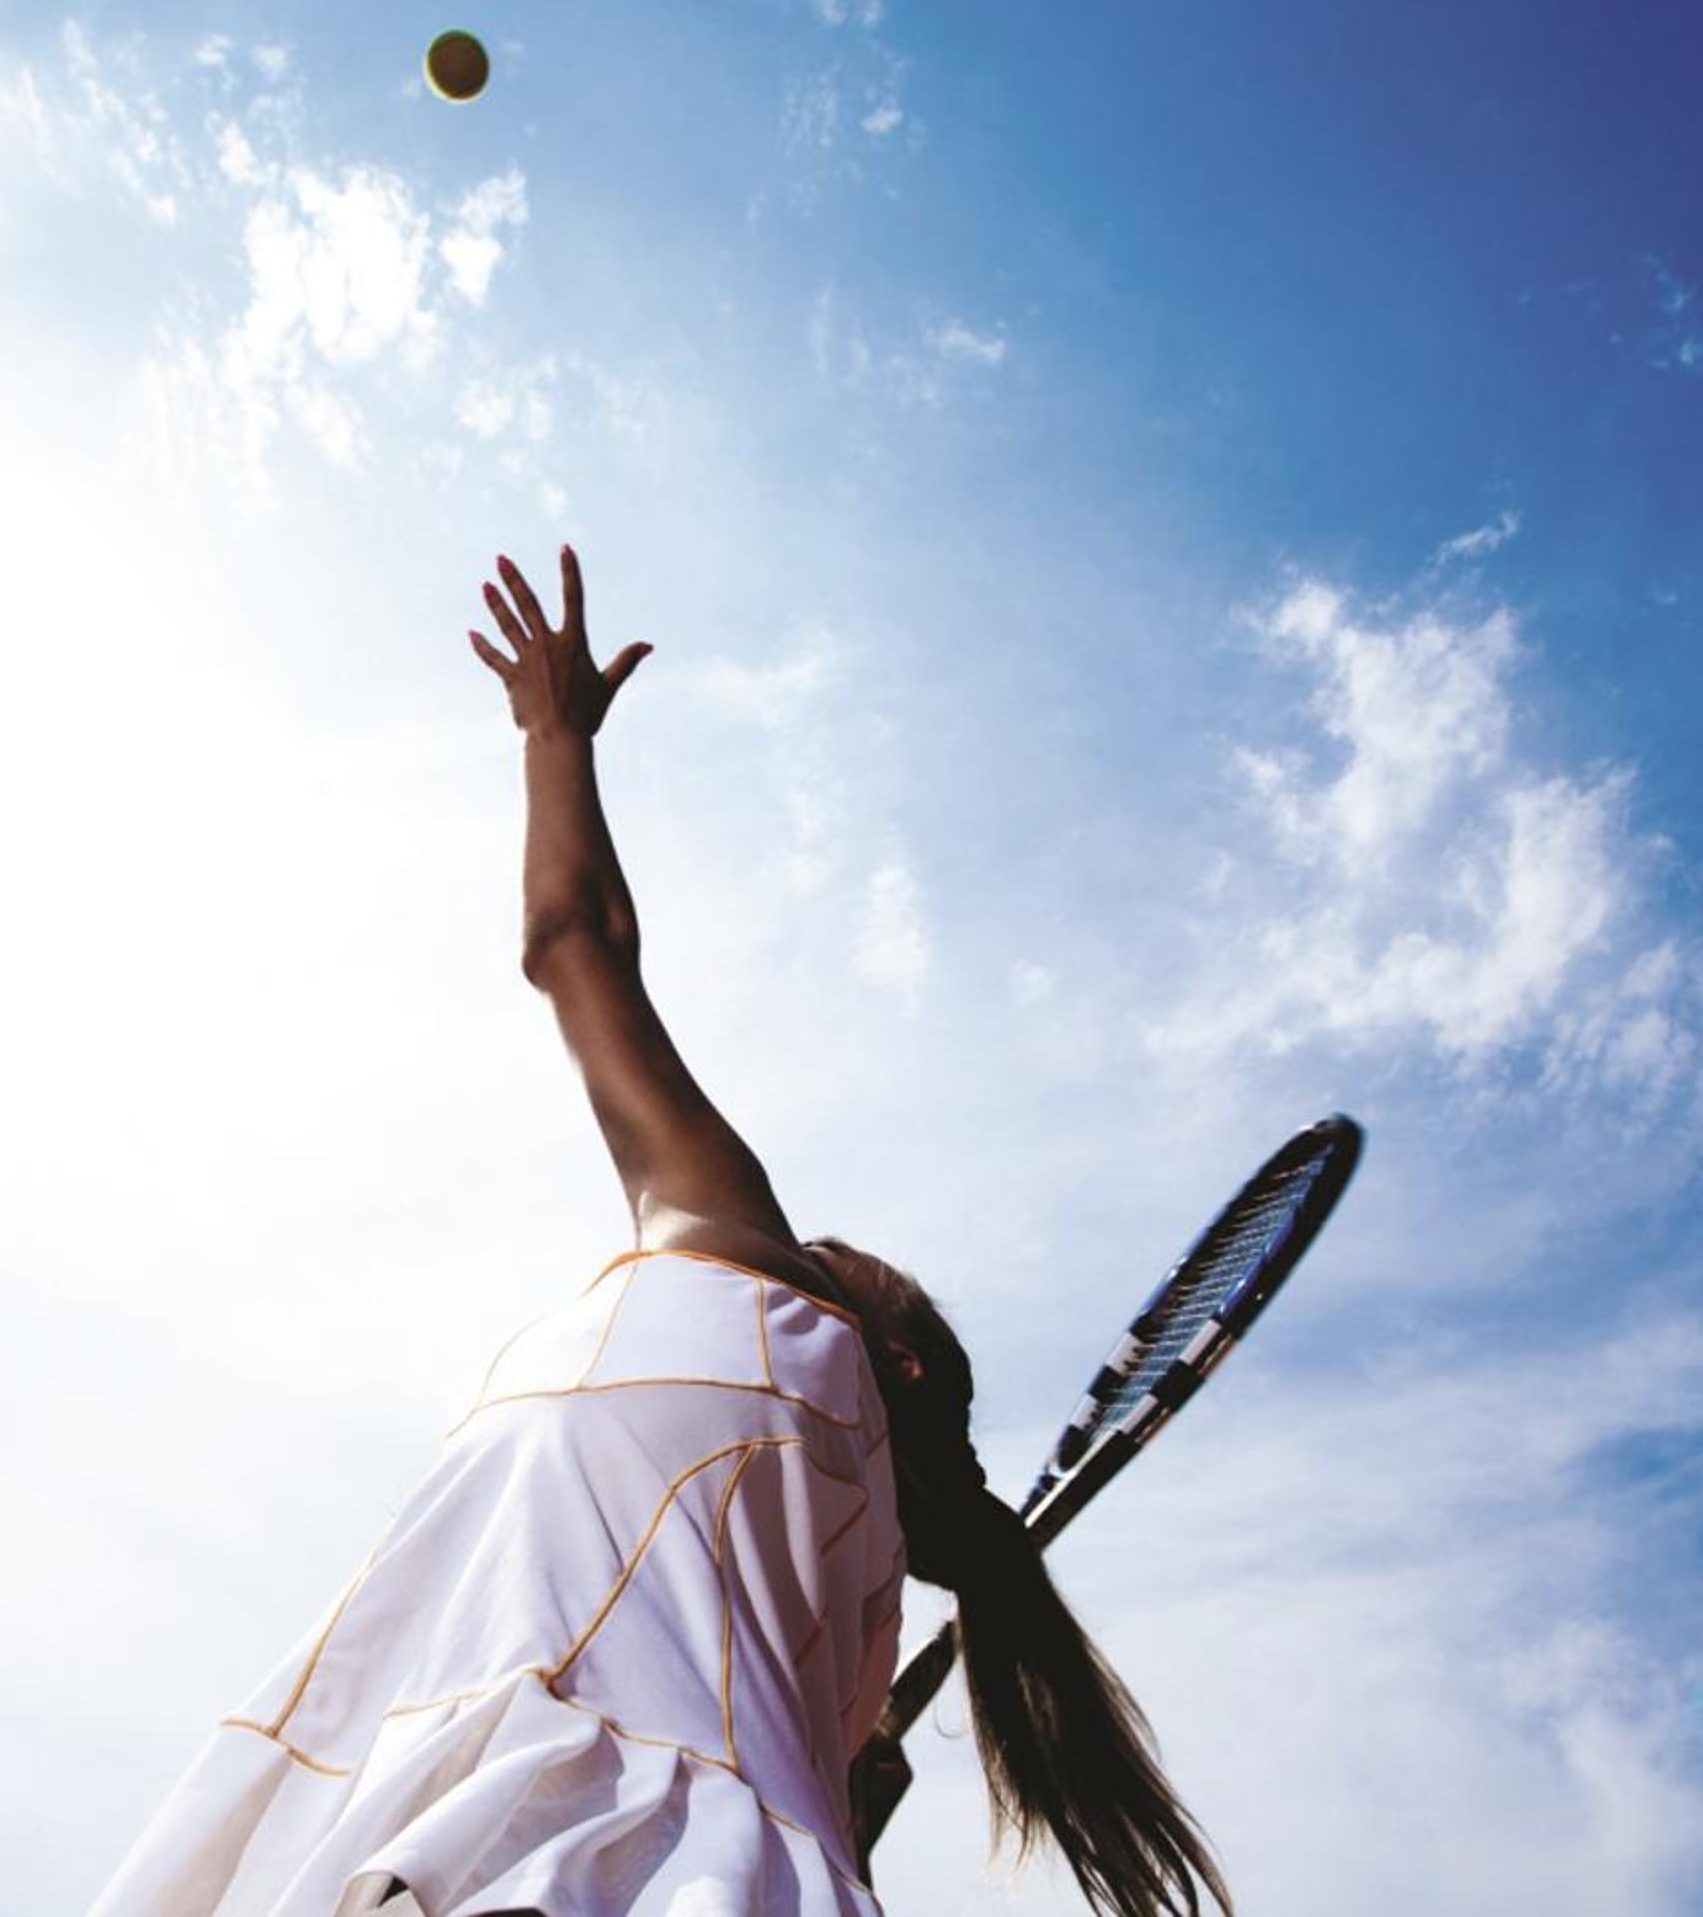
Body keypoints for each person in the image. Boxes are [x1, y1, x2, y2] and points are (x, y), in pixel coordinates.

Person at [82, 548, 1232, 1917]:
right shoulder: (841, 1642)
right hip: (587, 1846)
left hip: (489, 1830)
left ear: (897, 1352)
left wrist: (554, 739)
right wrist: (845, 1816)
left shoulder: (762, 1284)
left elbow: (573, 939)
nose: (827, 1239)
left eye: (857, 1256)